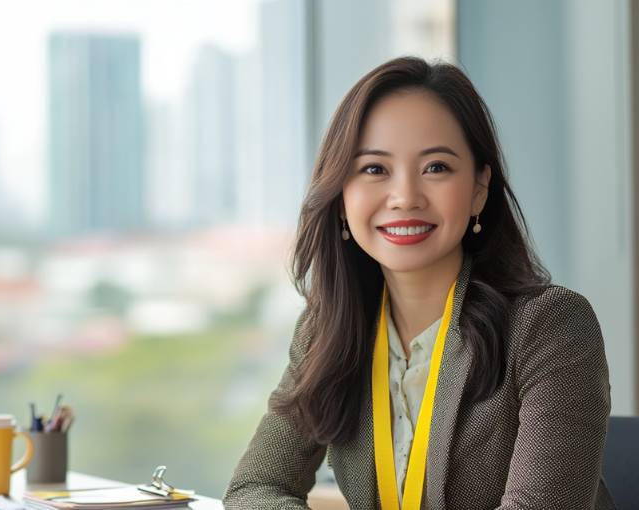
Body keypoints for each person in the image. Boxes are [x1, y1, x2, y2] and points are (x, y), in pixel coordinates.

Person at [223, 57, 616, 510]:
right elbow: (255, 489)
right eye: (374, 169)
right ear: (340, 195)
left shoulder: (549, 326)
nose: (405, 196)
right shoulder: (326, 332)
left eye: (436, 168)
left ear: (479, 189)